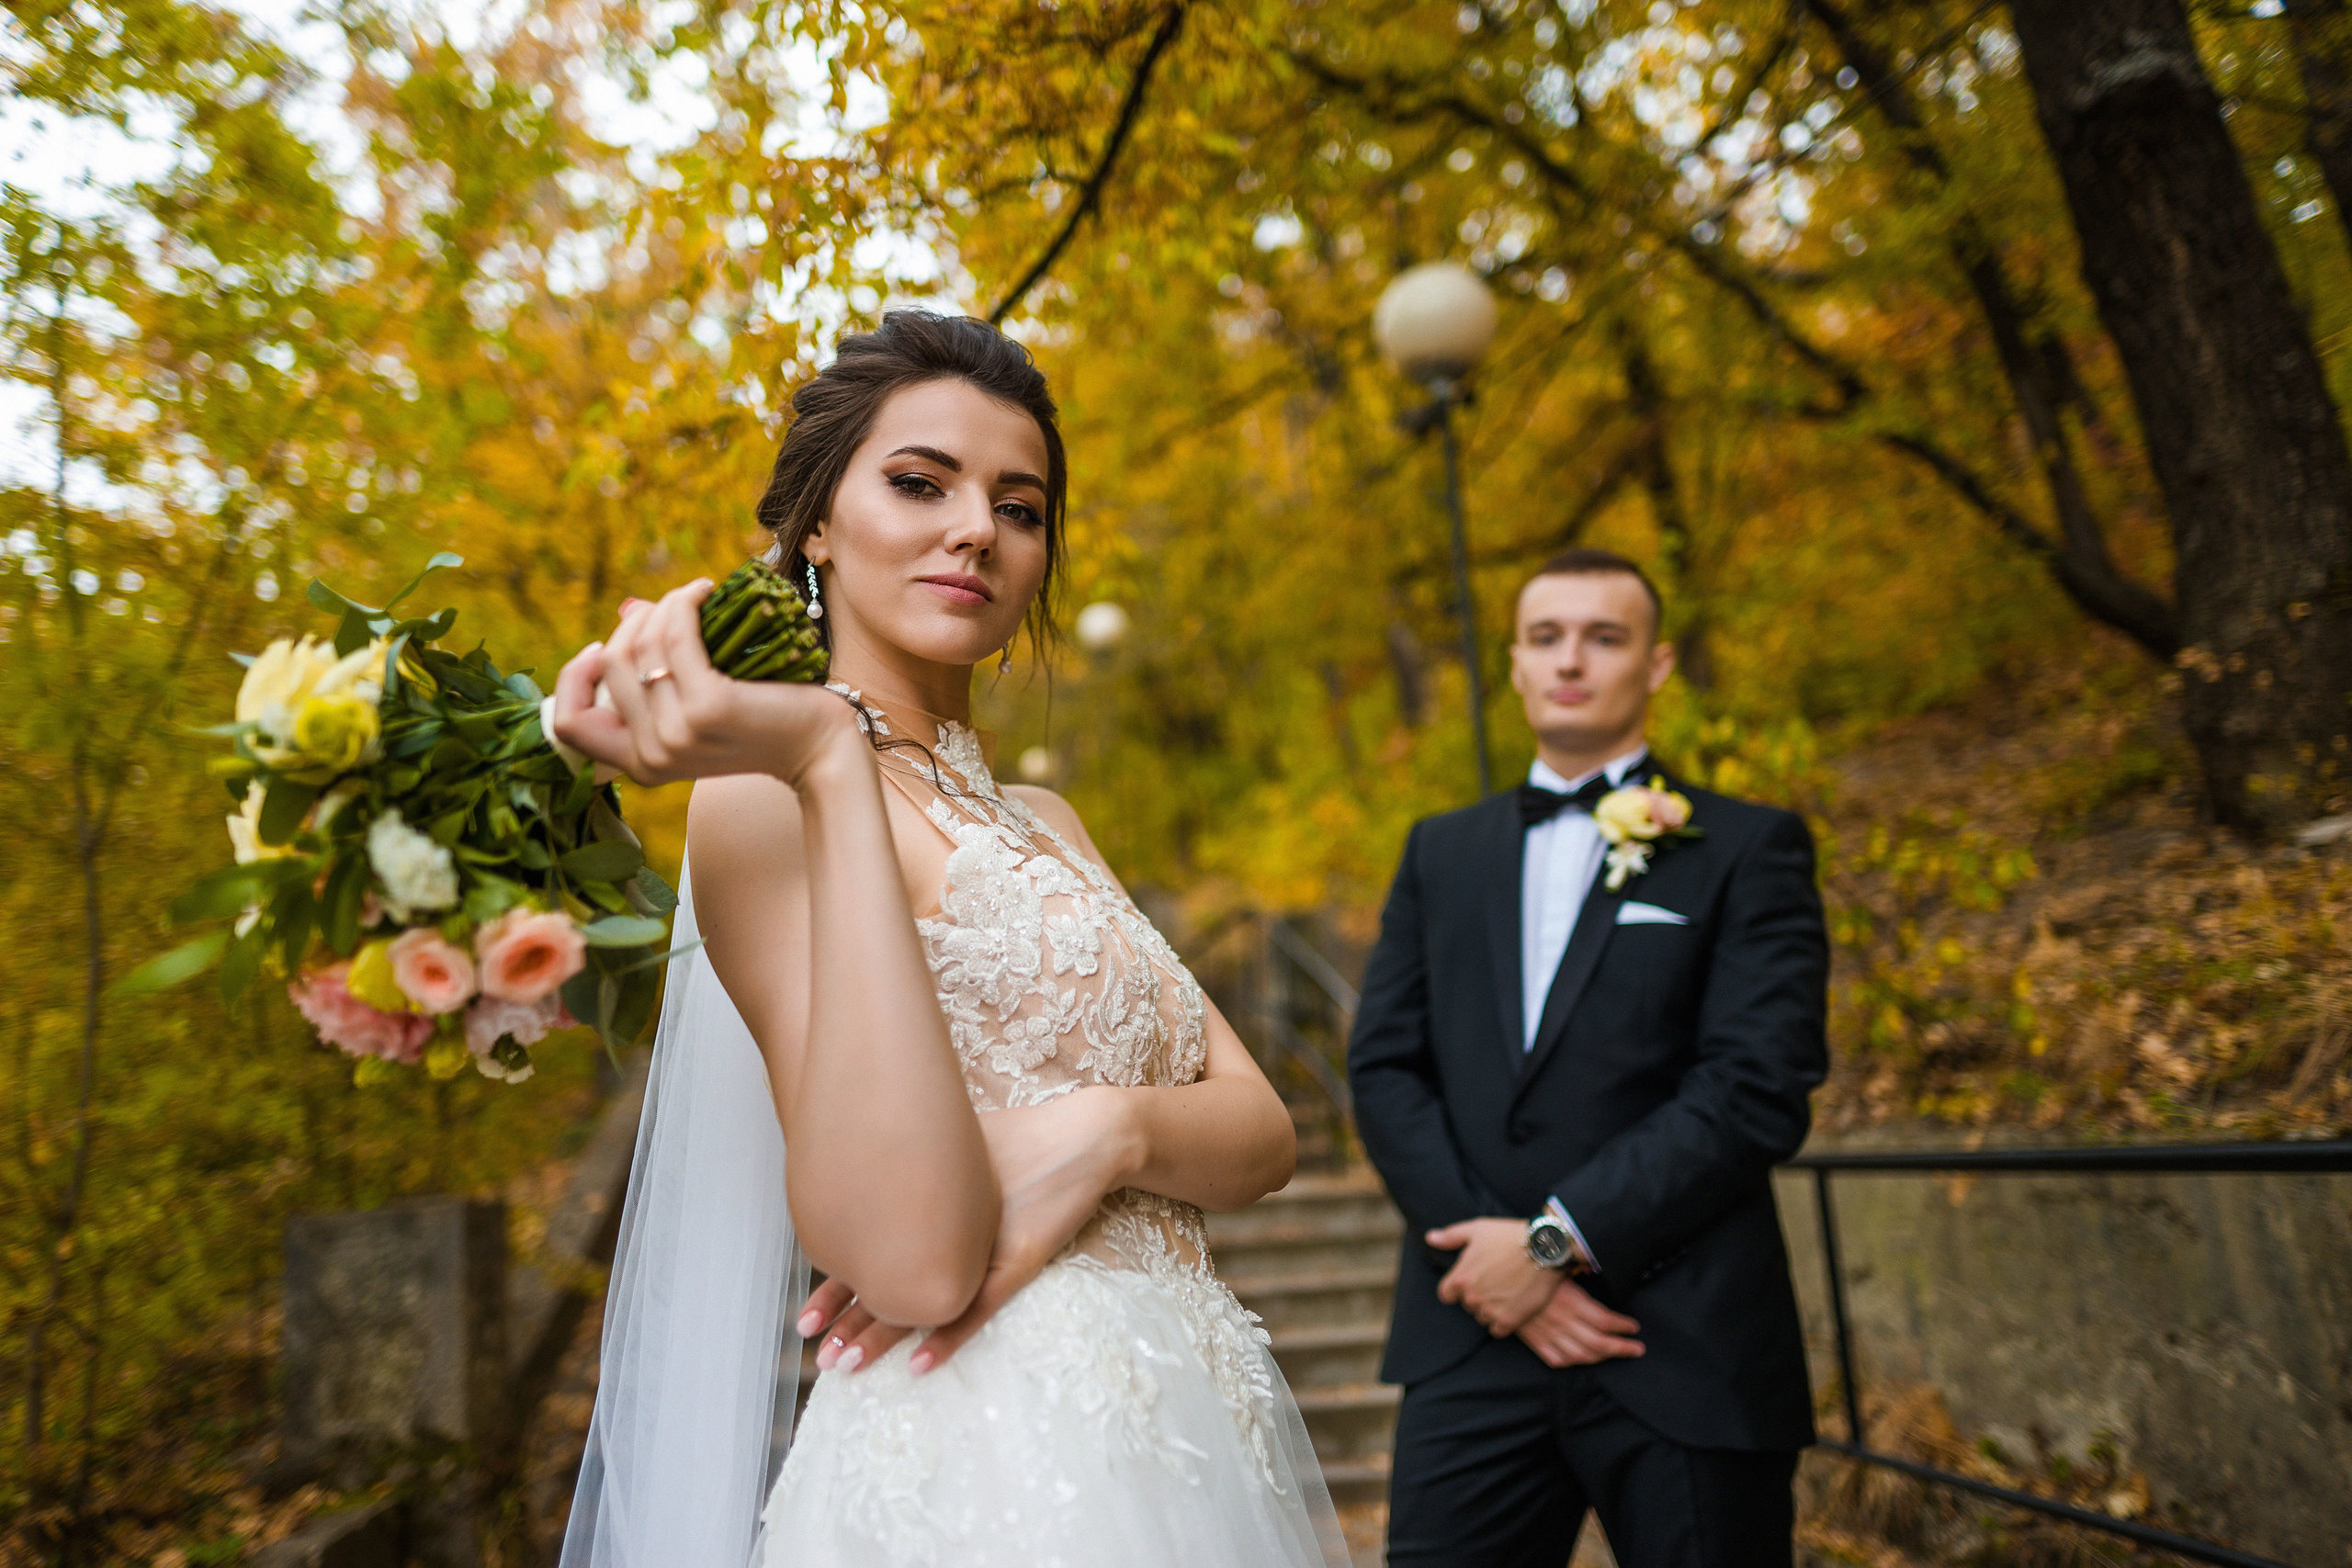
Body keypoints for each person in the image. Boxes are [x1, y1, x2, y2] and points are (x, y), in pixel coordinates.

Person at [548, 310, 1343, 1567]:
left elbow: (1262, 1134)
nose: (977, 526)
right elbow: (915, 1261)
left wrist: (1105, 1129)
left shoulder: (1047, 819)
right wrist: (823, 751)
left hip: (1191, 1434)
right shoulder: (764, 800)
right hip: (980, 1454)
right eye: (920, 482)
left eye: (1018, 507)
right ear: (815, 523)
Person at [1349, 548, 1827, 1568]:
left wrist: (1554, 1245)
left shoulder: (1747, 848)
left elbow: (1755, 1089)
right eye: (1545, 638)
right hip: (1468, 1336)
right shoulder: (1439, 851)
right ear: (1515, 666)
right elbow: (1385, 1069)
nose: (1571, 660)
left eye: (1603, 638)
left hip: (1680, 1339)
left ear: (1655, 665)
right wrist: (1493, 1266)